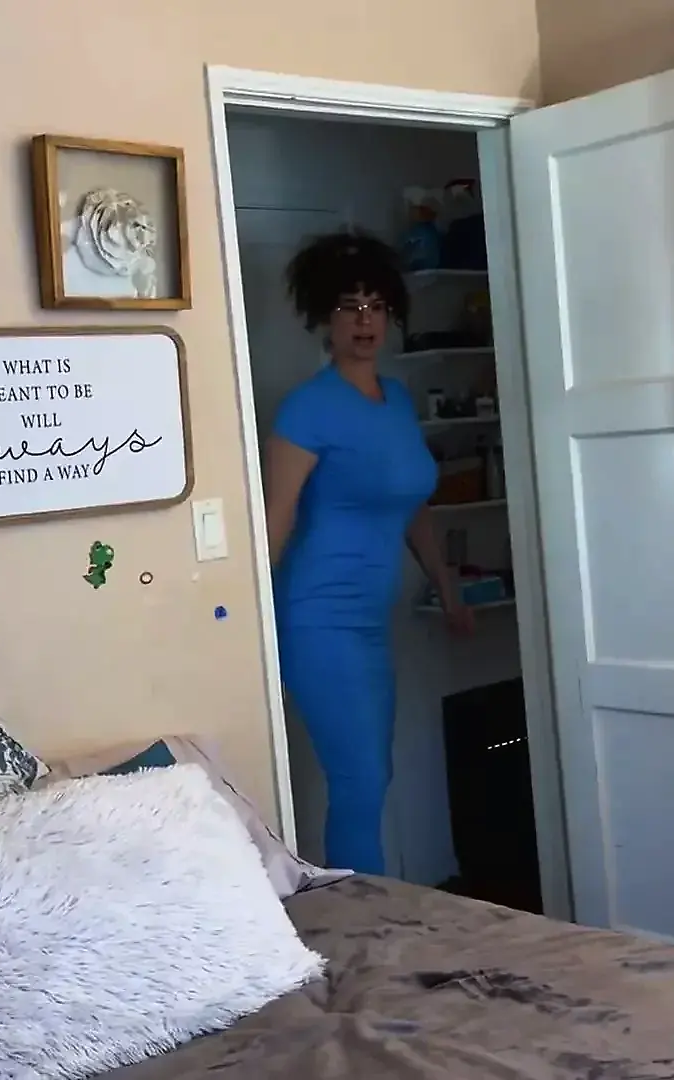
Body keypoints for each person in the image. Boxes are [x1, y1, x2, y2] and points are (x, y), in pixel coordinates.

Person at [264, 229, 474, 876]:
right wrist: (245, 625)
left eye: (376, 306)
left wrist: (448, 588)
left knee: (372, 774)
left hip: (371, 621)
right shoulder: (307, 409)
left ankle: (359, 906)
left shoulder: (399, 400)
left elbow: (412, 502)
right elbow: (276, 516)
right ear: (324, 319)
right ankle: (368, 916)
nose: (364, 320)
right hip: (316, 616)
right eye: (349, 307)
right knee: (359, 780)